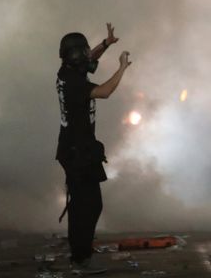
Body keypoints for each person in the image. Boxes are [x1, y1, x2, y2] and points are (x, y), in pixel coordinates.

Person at [56, 23, 131, 274]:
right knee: (87, 206)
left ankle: (81, 255)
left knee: (83, 205)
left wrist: (106, 44)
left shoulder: (69, 71)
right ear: (76, 56)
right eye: (85, 52)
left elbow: (90, 59)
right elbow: (105, 91)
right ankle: (81, 259)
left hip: (78, 148)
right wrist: (121, 68)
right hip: (78, 152)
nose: (90, 55)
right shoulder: (73, 83)